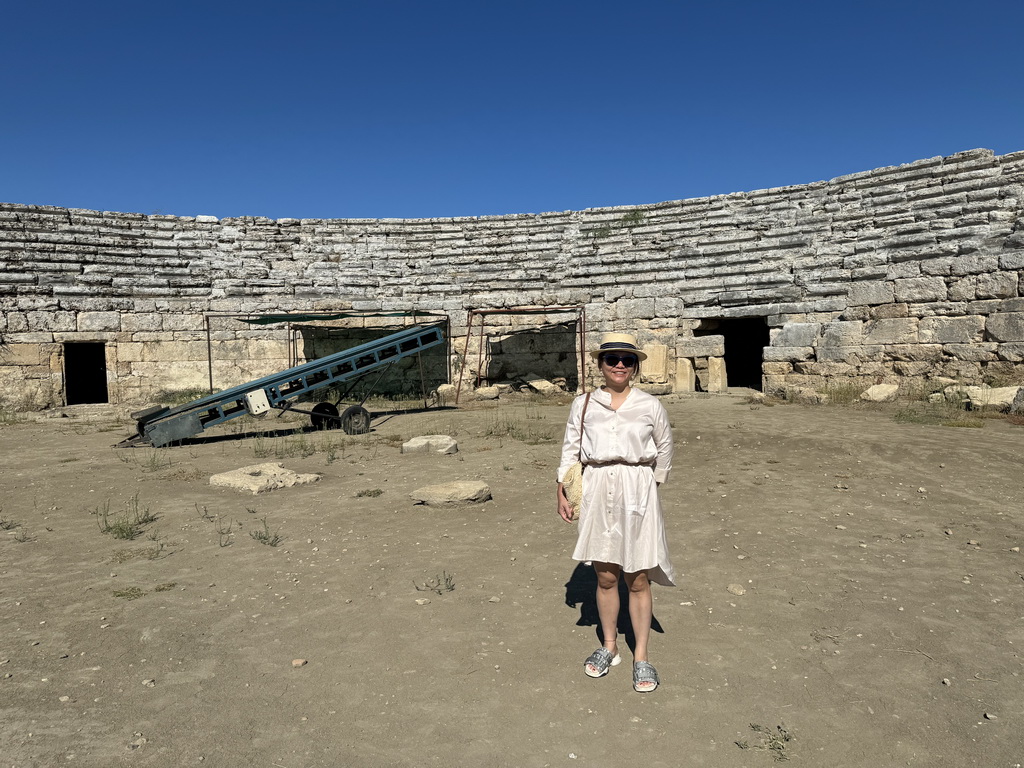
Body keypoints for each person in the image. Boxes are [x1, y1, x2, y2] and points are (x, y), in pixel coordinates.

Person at [556, 332, 674, 693]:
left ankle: (641, 656)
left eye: (627, 359)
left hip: (637, 486)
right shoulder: (584, 404)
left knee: (638, 576)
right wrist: (563, 490)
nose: (619, 365)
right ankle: (609, 645)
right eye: (612, 359)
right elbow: (570, 449)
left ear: (635, 366)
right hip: (596, 486)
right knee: (605, 574)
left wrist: (650, 486)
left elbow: (665, 446)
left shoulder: (650, 405)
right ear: (600, 365)